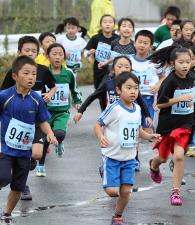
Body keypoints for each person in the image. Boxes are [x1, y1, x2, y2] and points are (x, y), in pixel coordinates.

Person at [94, 72, 161, 225]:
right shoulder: (114, 108)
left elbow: (137, 130)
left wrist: (150, 137)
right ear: (118, 90)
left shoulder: (137, 109)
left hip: (129, 158)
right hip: (112, 157)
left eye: (136, 88)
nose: (133, 91)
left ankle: (117, 216)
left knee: (125, 191)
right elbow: (98, 124)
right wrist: (101, 136)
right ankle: (104, 170)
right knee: (112, 192)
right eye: (128, 88)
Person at [0, 56, 58, 224]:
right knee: (3, 177)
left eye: (33, 73)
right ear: (15, 76)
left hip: (25, 150)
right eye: (26, 73)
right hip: (5, 148)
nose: (31, 77)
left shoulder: (36, 99)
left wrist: (50, 133)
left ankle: (7, 213)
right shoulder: (4, 96)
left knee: (18, 187)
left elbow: (42, 120)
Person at [149, 47, 195, 206]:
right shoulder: (169, 81)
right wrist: (177, 100)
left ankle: (176, 192)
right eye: (181, 62)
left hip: (185, 122)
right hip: (168, 124)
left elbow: (193, 93)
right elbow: (160, 103)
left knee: (179, 156)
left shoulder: (192, 75)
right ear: (173, 64)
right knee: (163, 158)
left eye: (188, 61)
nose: (185, 65)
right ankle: (153, 165)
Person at [36, 43, 82, 176]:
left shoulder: (68, 73)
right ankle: (41, 164)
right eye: (54, 54)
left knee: (59, 134)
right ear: (47, 56)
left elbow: (74, 89)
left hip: (62, 112)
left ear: (64, 57)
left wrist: (78, 102)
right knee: (45, 139)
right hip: (46, 112)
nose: (57, 57)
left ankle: (60, 142)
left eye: (60, 54)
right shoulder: (44, 72)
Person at [131, 30, 163, 133]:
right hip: (132, 98)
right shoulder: (128, 61)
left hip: (148, 98)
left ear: (151, 46)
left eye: (146, 43)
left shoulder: (155, 61)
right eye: (140, 42)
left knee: (147, 129)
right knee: (133, 126)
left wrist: (158, 85)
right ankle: (135, 148)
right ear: (134, 43)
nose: (142, 45)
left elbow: (164, 77)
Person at [84, 14, 119, 109]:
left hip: (113, 71)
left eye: (110, 22)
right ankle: (104, 113)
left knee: (113, 92)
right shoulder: (96, 38)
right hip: (99, 70)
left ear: (114, 25)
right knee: (101, 93)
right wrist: (89, 55)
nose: (107, 24)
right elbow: (86, 52)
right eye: (105, 22)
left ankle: (114, 111)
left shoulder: (117, 39)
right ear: (101, 25)